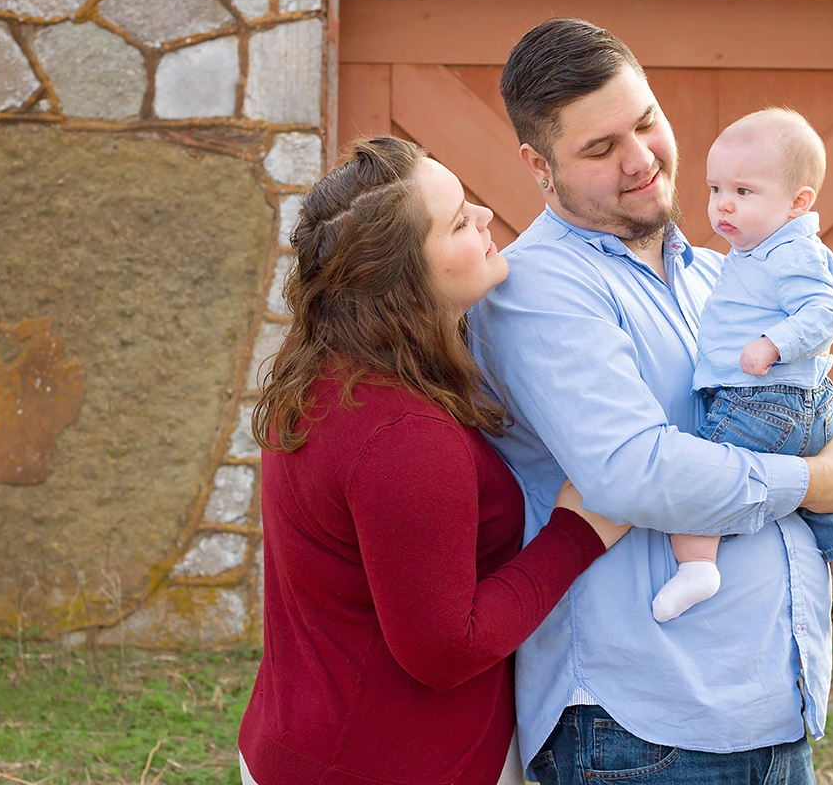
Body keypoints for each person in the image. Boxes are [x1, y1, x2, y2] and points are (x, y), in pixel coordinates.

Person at [469, 19, 833, 784]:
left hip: (770, 709)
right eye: (598, 148)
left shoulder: (719, 274)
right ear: (538, 164)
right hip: (640, 730)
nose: (641, 159)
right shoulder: (539, 290)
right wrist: (815, 484)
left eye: (646, 121)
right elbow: (634, 472)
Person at [236, 136, 627, 785]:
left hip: (312, 741)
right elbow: (445, 650)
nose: (483, 215)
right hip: (383, 764)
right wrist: (580, 531)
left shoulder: (331, 371)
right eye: (457, 223)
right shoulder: (399, 436)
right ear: (406, 281)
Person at [652, 107, 833, 629]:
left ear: (799, 201)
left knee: (701, 478)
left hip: (762, 399)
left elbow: (826, 313)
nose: (722, 205)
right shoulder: (759, 249)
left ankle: (697, 565)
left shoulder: (790, 253)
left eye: (744, 192)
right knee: (820, 499)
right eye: (715, 189)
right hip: (806, 405)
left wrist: (772, 343)